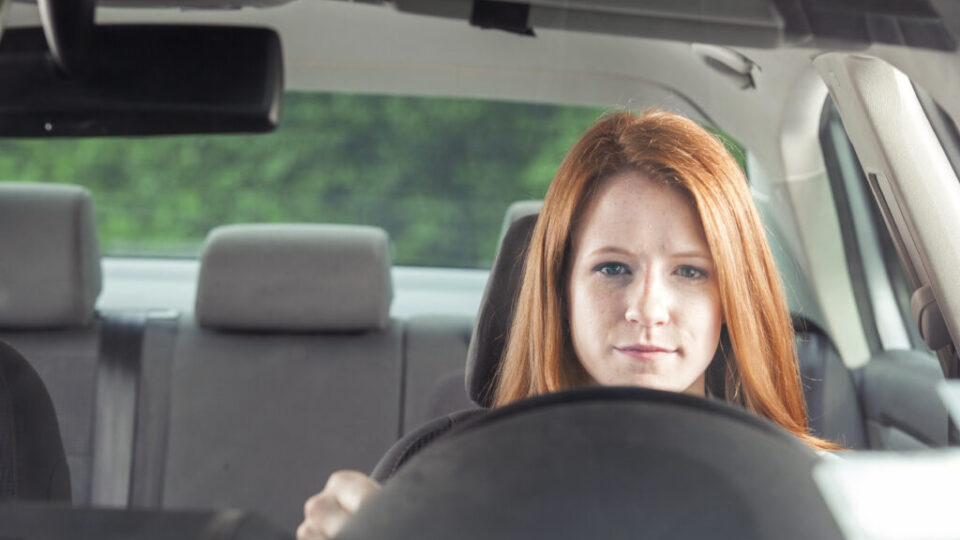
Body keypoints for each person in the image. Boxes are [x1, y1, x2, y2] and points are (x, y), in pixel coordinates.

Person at [296, 109, 838, 540]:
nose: (647, 308)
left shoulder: (819, 494)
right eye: (612, 268)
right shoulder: (428, 477)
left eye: (691, 271)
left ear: (733, 301)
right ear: (561, 288)